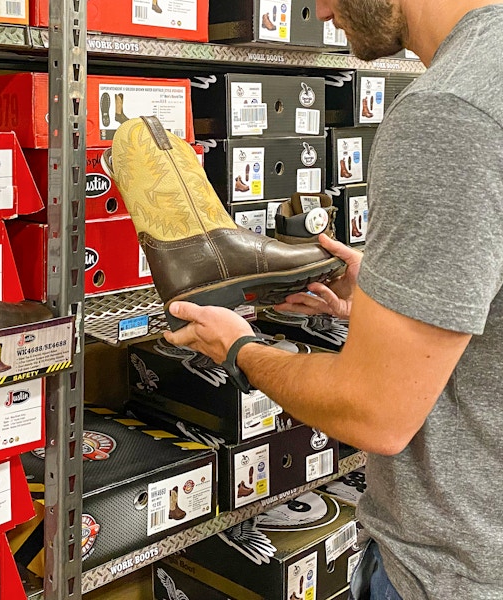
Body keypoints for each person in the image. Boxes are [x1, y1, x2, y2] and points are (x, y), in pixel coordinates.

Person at [164, 1, 503, 599]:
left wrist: (240, 349)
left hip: (453, 572)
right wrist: (387, 303)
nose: (318, 10)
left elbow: (375, 414)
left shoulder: (447, 110)